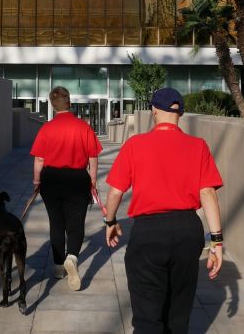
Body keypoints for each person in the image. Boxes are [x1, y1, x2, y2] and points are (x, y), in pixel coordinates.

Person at [104, 87, 223, 334]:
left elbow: (116, 191)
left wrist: (111, 221)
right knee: (178, 314)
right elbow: (208, 193)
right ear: (180, 114)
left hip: (149, 233)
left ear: (154, 110)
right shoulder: (198, 146)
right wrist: (217, 241)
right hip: (187, 230)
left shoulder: (135, 144)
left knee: (148, 315)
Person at [31, 86, 103, 290]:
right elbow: (93, 157)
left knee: (56, 222)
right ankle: (71, 257)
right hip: (77, 179)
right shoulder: (83, 127)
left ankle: (57, 266)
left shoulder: (46, 128)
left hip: (51, 179)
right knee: (76, 222)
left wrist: (37, 181)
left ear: (53, 106)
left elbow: (39, 159)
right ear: (69, 102)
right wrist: (93, 180)